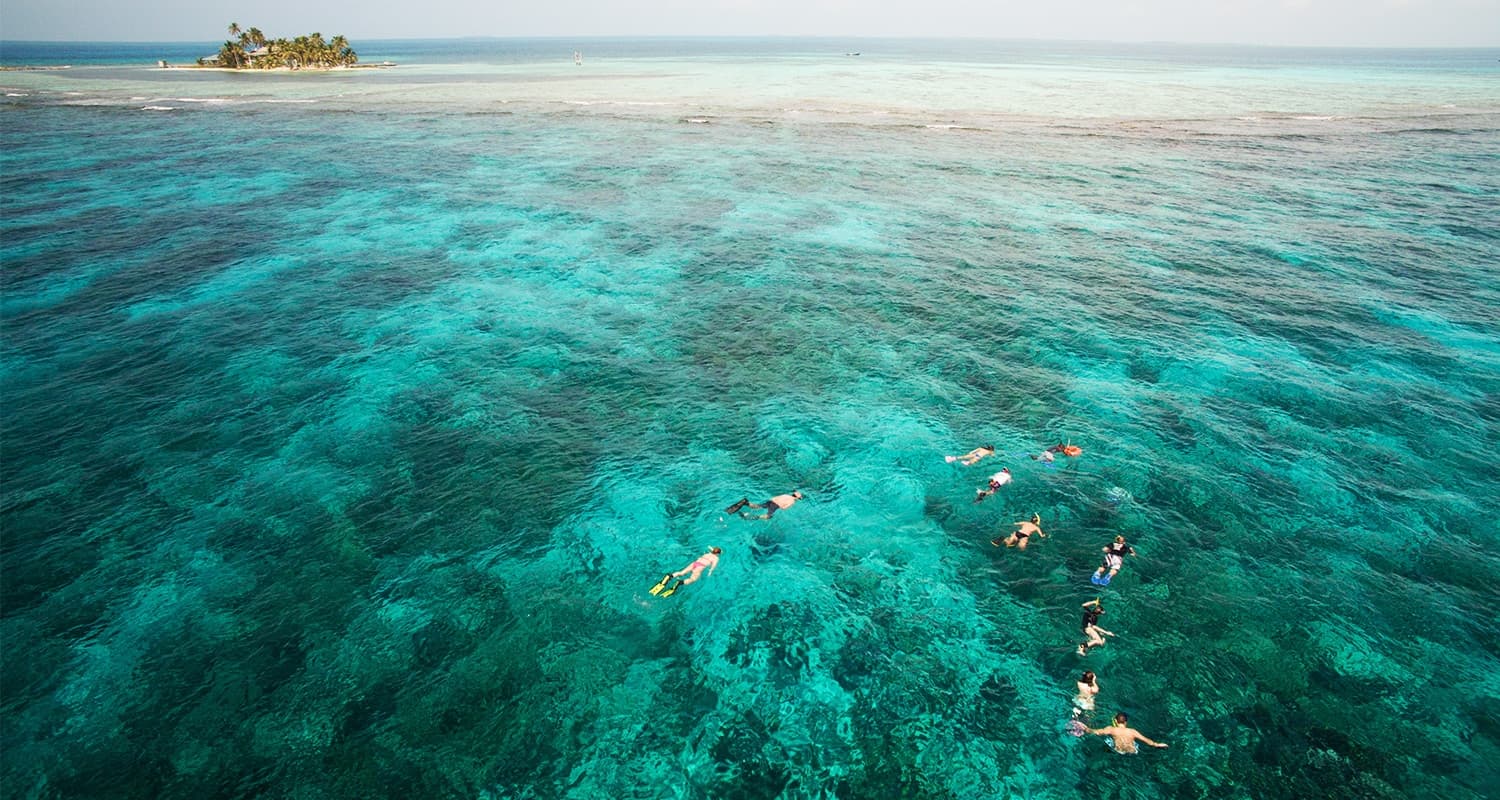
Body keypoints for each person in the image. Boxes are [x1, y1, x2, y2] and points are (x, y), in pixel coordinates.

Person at [650, 547, 722, 597]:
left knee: (681, 573)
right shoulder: (716, 558)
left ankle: (670, 576)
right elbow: (713, 566)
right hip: (700, 567)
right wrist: (710, 572)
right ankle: (679, 583)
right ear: (718, 554)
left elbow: (713, 551)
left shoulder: (707, 554)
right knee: (693, 579)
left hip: (695, 563)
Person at [1087, 712, 1168, 753]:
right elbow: (1147, 741)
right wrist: (1157, 744)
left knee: (1106, 744)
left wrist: (1086, 729)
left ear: (1115, 721)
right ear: (1126, 722)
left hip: (1118, 750)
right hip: (1132, 751)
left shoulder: (1111, 729)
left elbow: (1097, 732)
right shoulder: (1132, 731)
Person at [726, 491, 803, 520]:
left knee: (758, 506)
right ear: (796, 497)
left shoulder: (786, 495)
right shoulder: (792, 501)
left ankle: (746, 503)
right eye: (799, 499)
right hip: (775, 506)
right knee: (768, 516)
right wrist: (781, 507)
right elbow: (784, 508)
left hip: (771, 501)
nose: (798, 500)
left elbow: (774, 497)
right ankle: (749, 516)